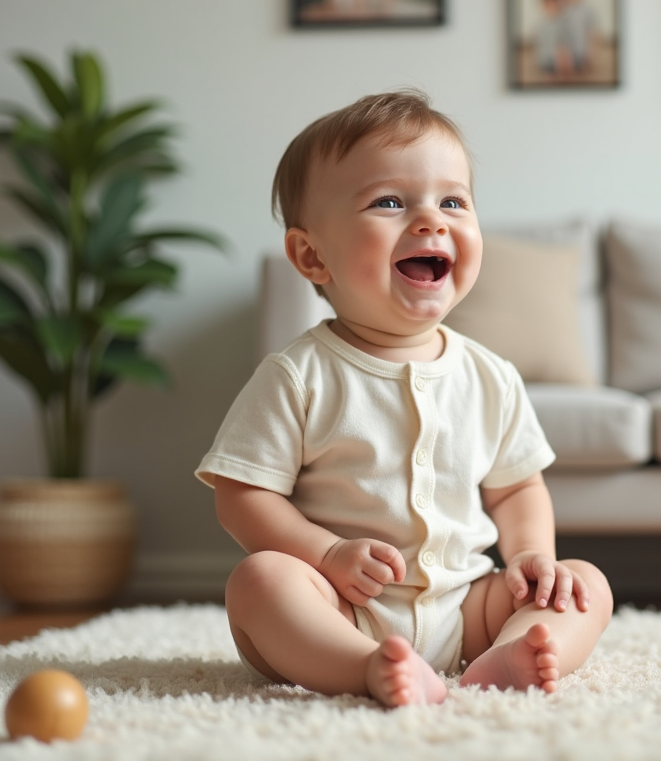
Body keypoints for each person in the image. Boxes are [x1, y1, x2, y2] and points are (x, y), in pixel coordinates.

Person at [196, 90, 613, 708]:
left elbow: (517, 488)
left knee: (585, 584)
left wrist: (531, 557)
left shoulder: (489, 375)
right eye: (389, 202)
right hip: (341, 606)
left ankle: (509, 652)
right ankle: (366, 667)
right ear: (312, 256)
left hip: (467, 606)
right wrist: (326, 553)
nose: (431, 220)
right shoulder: (299, 374)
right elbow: (243, 495)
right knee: (259, 581)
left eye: (452, 201)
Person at [559, 0, 599, 73]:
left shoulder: (589, 9)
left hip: (583, 55)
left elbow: (592, 32)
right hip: (564, 56)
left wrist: (591, 53)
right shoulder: (559, 8)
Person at [535, 0, 570, 76]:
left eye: (553, 3)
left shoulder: (564, 23)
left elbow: (565, 47)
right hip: (544, 64)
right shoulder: (539, 25)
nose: (551, 7)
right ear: (544, 5)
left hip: (561, 65)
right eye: (548, 4)